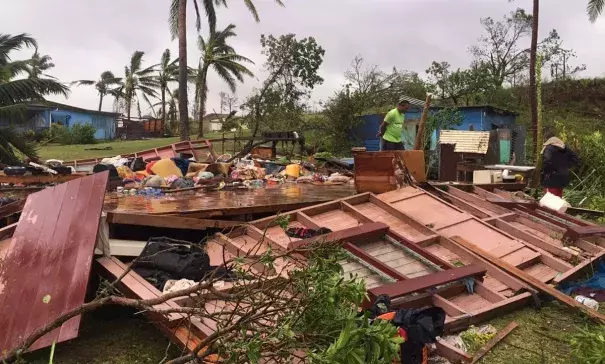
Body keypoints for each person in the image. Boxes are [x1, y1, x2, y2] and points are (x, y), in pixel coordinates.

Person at [541, 130, 580, 198]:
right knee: (558, 200)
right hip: (563, 178)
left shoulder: (549, 148)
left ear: (546, 139)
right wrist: (567, 166)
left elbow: (547, 161)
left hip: (551, 179)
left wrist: (547, 173)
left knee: (549, 202)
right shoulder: (564, 147)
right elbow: (576, 157)